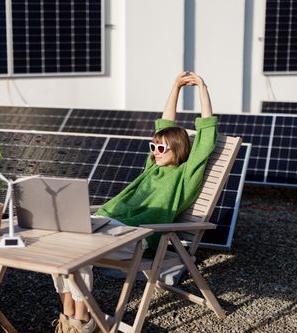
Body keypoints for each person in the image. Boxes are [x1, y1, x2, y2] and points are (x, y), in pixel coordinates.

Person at [52, 72, 218, 333]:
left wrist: (202, 88)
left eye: (162, 149)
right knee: (63, 242)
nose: (155, 153)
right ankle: (69, 316)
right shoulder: (152, 167)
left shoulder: (186, 176)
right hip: (110, 225)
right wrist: (174, 86)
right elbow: (163, 125)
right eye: (153, 147)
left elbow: (207, 134)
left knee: (78, 251)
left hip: (135, 238)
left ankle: (83, 323)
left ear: (180, 151)